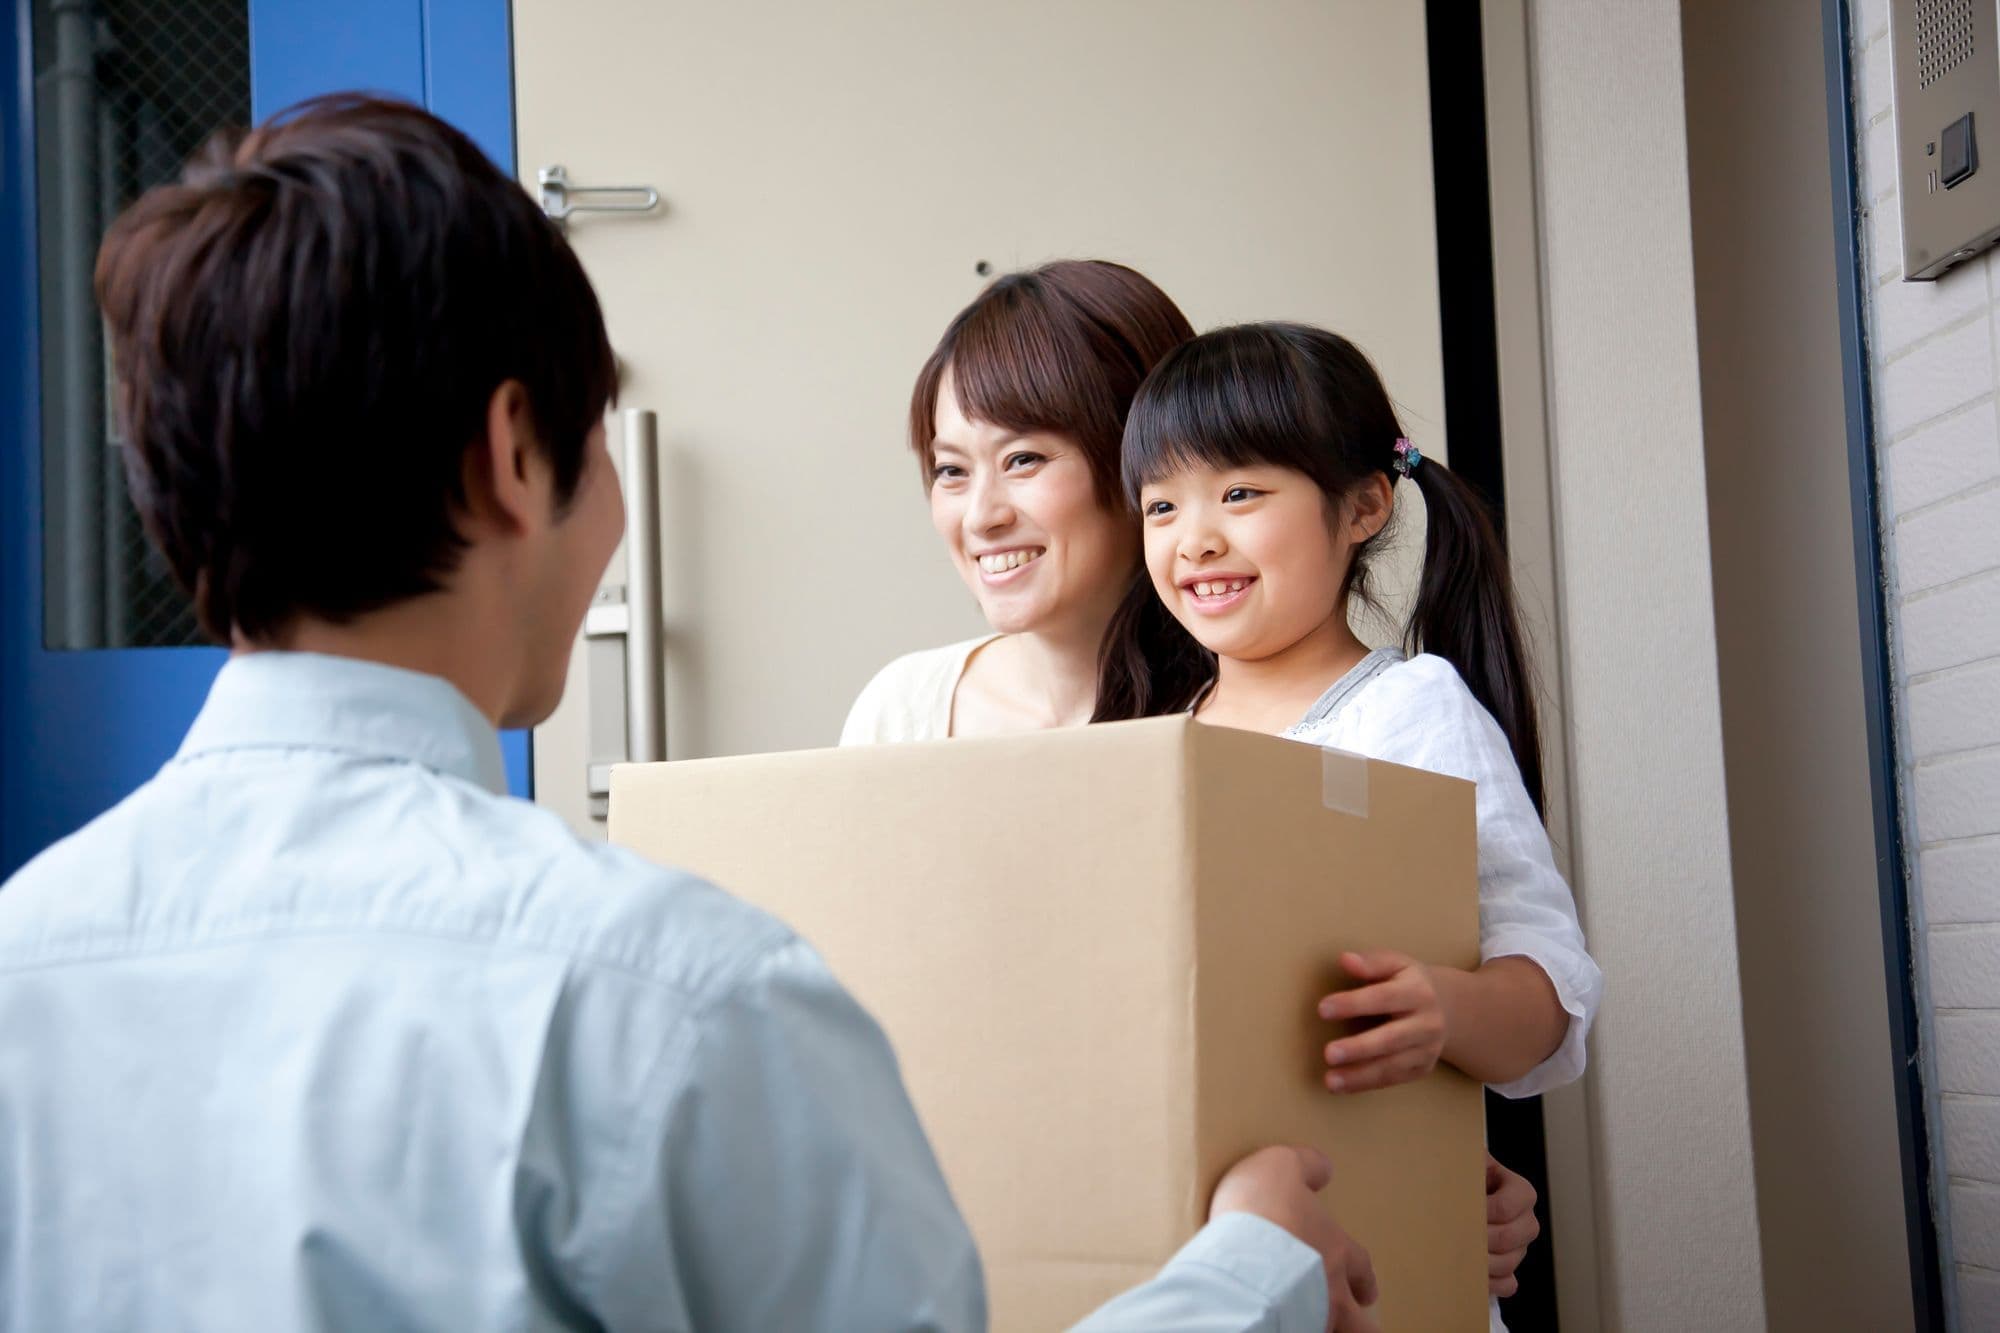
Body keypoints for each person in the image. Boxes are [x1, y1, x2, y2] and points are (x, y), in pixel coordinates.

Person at [0, 98, 1378, 1331]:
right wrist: (1252, 1268)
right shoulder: (674, 996)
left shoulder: (24, 966)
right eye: (604, 439)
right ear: (511, 459)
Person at [844, 262, 1544, 1307]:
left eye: (1026, 458)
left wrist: (1431, 1175)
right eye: (950, 470)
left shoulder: (1281, 714)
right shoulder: (902, 712)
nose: (981, 512)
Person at [1109, 321, 1602, 1100]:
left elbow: (1549, 987)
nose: (1194, 540)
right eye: (1161, 506)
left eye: (1239, 493)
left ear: (1365, 506)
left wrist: (1444, 1004)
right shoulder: (1154, 738)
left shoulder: (1408, 710)